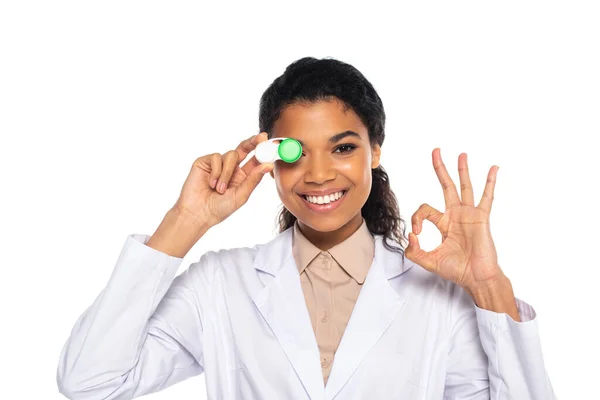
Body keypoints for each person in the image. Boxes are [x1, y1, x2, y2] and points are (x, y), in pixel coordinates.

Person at [56, 57, 556, 399]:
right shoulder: (221, 285)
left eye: (343, 147)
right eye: (294, 152)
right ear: (271, 158)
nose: (318, 175)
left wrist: (489, 286)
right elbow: (91, 381)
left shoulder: (437, 300)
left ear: (375, 150)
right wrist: (186, 221)